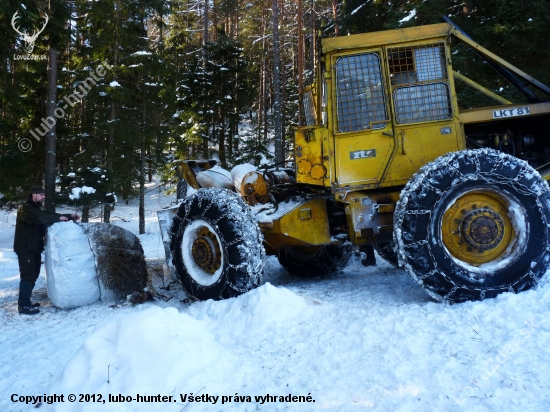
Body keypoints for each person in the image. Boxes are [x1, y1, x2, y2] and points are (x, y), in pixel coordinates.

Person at [13, 186, 80, 315]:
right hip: (25, 248)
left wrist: (68, 216)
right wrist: (60, 218)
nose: (43, 197)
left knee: (34, 275)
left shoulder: (36, 207)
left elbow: (48, 215)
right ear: (33, 195)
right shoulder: (25, 209)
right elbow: (40, 218)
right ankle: (23, 305)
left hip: (34, 247)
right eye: (41, 194)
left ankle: (27, 301)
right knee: (27, 276)